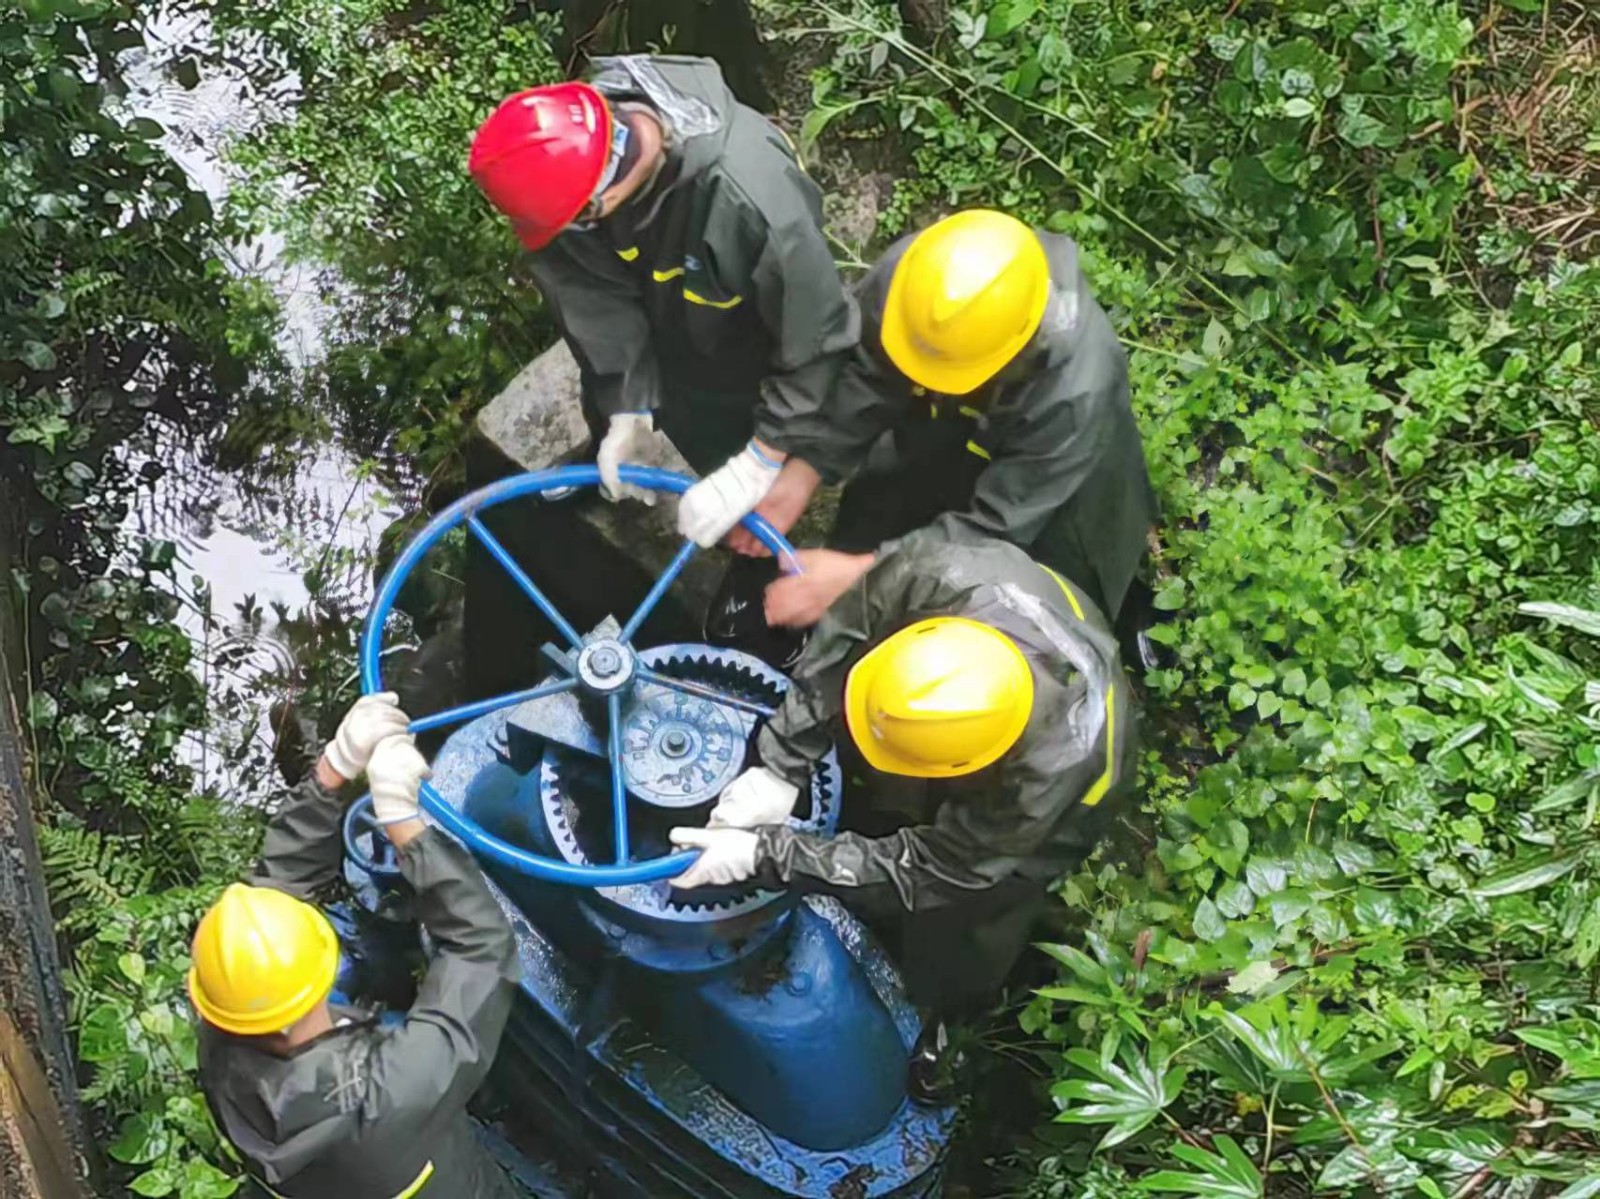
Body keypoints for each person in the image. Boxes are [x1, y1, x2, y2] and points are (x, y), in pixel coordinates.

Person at [665, 526, 1134, 1101]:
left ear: (964, 766)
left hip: (1061, 811)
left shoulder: (1050, 774)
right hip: (1010, 667)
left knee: (981, 910)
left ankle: (958, 1012)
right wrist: (782, 762)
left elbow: (936, 868)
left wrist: (765, 853)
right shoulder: (947, 570)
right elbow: (850, 626)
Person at [468, 56, 855, 551]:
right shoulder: (579, 166)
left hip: (734, 347)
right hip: (667, 313)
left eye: (573, 220)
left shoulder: (754, 205)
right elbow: (589, 289)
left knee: (733, 451)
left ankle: (751, 538)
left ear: (596, 203)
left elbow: (818, 342)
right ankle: (610, 459)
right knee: (615, 403)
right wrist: (626, 406)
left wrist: (759, 461)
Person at [747, 209, 1159, 647]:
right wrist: (804, 470)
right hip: (941, 421)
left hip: (1054, 486)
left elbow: (995, 529)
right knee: (881, 502)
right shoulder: (918, 282)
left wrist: (859, 575)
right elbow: (867, 370)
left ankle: (1129, 617)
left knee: (1043, 584)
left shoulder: (1076, 393)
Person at [189, 694, 520, 1199]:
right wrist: (407, 827)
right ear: (314, 985)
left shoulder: (223, 1034)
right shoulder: (394, 1090)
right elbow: (482, 947)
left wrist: (332, 770)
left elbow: (267, 906)